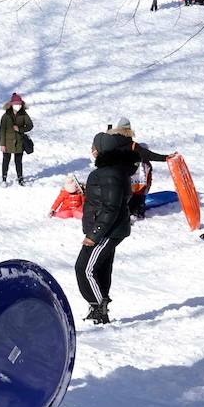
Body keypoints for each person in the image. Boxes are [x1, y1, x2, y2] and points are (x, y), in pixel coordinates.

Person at [77, 131, 140, 324]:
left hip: (106, 231)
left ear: (102, 150)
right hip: (107, 229)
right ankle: (99, 311)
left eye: (94, 147)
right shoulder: (110, 171)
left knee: (84, 269)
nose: (91, 150)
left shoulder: (109, 173)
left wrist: (94, 235)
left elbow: (111, 207)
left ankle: (98, 308)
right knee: (101, 269)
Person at [107, 117, 172, 219]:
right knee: (137, 193)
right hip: (132, 177)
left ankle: (121, 215)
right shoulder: (133, 146)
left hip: (114, 175)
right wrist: (166, 158)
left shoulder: (111, 143)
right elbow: (149, 155)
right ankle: (137, 212)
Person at [0, 92, 33, 186]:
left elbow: (30, 125)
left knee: (18, 161)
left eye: (19, 104)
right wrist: (2, 144)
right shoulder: (6, 116)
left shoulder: (24, 114)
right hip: (7, 142)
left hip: (19, 142)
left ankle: (20, 179)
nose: (17, 106)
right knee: (6, 160)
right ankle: (4, 179)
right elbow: (1, 131)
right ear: (11, 104)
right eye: (15, 104)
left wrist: (20, 129)